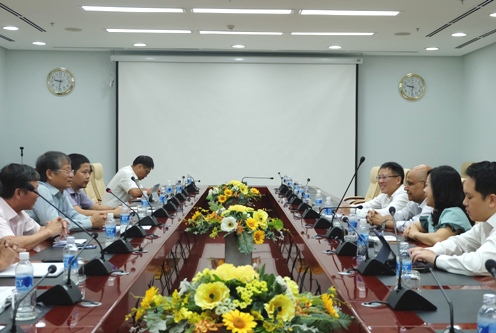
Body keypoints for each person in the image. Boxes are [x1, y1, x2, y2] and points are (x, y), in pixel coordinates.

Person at [411, 161, 496, 276]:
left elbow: (480, 263)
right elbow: (459, 243)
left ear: (491, 200)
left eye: (469, 197)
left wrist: (436, 259)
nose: (464, 202)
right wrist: (429, 252)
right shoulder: (485, 224)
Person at [27, 151, 106, 230]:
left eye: (71, 171)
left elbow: (73, 215)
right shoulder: (41, 190)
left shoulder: (61, 190)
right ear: (50, 174)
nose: (71, 175)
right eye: (67, 171)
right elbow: (54, 225)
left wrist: (95, 220)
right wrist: (90, 222)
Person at [0, 163, 68, 250]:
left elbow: (38, 231)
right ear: (19, 193)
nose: (38, 195)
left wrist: (57, 227)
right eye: (35, 190)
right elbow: (9, 244)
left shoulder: (20, 212)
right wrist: (49, 231)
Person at [403, 165, 472, 246]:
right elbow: (414, 226)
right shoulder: (438, 212)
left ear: (439, 189)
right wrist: (413, 230)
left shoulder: (454, 213)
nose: (424, 190)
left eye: (427, 185)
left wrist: (415, 234)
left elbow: (438, 239)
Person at [367, 164, 433, 231]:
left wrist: (383, 222)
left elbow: (414, 225)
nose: (405, 188)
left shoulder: (432, 205)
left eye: (410, 184)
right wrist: (375, 217)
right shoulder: (415, 202)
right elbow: (399, 216)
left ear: (425, 184)